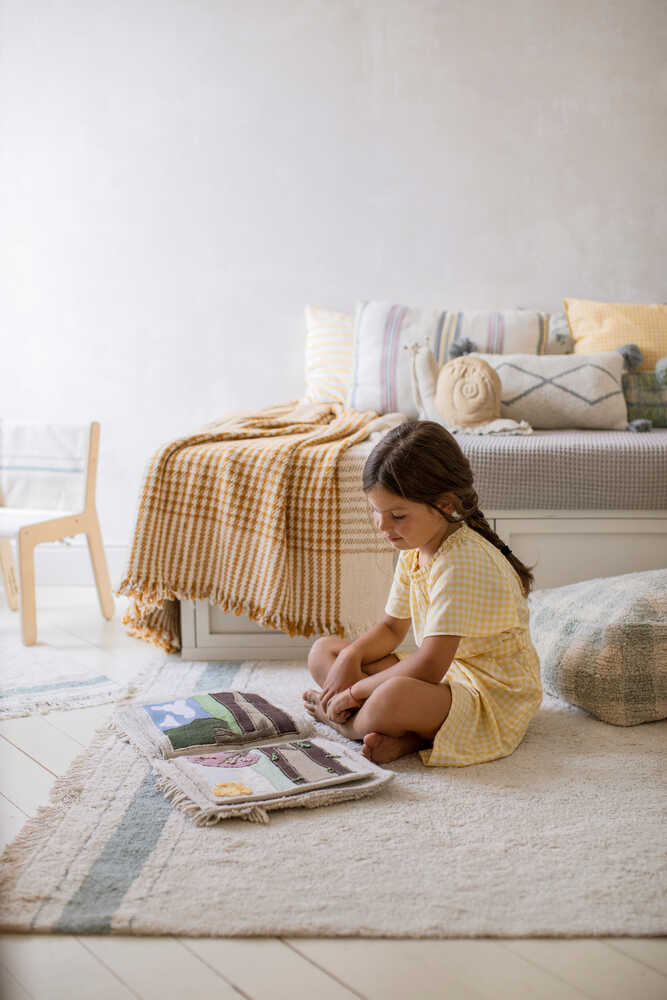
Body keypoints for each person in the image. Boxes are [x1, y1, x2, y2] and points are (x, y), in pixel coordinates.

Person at [302, 420, 543, 766]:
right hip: (448, 675)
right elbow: (390, 629)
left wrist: (354, 692)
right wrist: (350, 657)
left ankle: (345, 725)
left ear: (445, 505)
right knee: (325, 652)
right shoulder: (415, 546)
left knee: (392, 697)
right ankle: (408, 736)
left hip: (490, 691)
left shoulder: (462, 562)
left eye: (397, 515)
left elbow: (429, 666)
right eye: (376, 511)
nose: (382, 526)